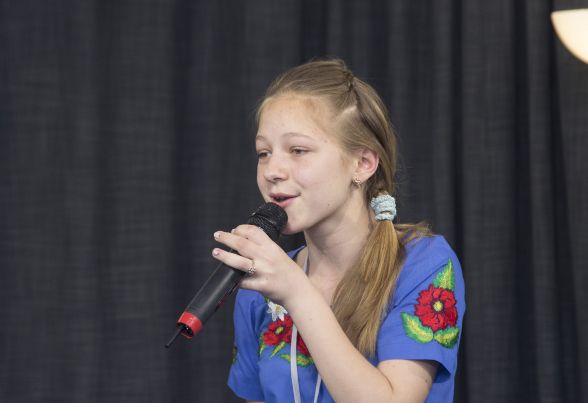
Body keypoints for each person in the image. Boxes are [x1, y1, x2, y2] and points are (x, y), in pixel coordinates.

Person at [211, 59, 465, 403]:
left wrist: (297, 293)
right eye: (264, 153)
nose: (272, 170)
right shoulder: (261, 289)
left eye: (298, 150)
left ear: (363, 163)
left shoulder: (423, 263)